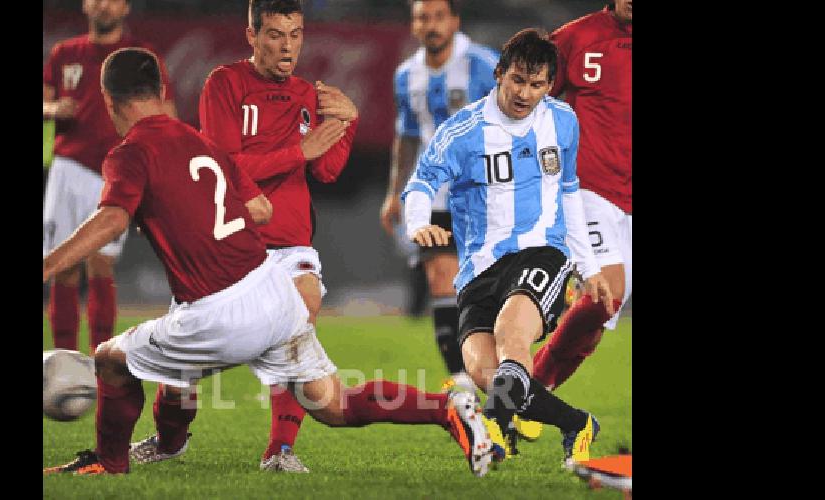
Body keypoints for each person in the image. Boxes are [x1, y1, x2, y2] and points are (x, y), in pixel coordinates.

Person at [42, 47, 498, 477]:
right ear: (163, 91)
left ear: (107, 99)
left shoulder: (129, 153)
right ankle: (447, 410)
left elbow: (112, 218)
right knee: (335, 405)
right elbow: (260, 209)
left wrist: (48, 265)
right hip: (273, 292)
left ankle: (110, 460)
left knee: (111, 359)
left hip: (218, 312)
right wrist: (186, 211)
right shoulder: (201, 144)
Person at [129, 0, 359, 473]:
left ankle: (280, 450)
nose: (288, 46)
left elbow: (328, 171)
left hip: (291, 245)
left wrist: (346, 124)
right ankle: (170, 440)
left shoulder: (305, 94)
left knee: (303, 305)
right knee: (178, 373)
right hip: (230, 245)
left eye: (295, 34)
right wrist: (298, 149)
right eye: (275, 34)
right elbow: (225, 167)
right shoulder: (224, 83)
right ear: (251, 35)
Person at [402, 28, 612, 467]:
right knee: (483, 370)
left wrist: (588, 267)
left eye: (537, 84)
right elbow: (422, 182)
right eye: (518, 80)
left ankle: (493, 428)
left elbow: (569, 192)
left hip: (542, 251)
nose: (525, 93)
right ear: (499, 74)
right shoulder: (463, 130)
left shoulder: (562, 121)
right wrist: (419, 221)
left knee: (511, 336)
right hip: (478, 268)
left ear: (550, 85)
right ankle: (575, 422)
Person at [379, 0, 500, 399]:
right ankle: (462, 382)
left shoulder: (484, 65)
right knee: (440, 278)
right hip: (435, 194)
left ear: (454, 21)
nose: (430, 25)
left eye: (437, 17)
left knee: (489, 287)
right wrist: (394, 192)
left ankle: (502, 373)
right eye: (421, 18)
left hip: (487, 195)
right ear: (413, 25)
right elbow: (407, 136)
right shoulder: (405, 75)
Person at [42, 0, 177, 353]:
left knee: (101, 265)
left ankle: (100, 358)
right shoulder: (64, 53)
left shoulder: (140, 56)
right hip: (68, 169)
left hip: (117, 171)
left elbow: (167, 113)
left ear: (126, 7)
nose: (104, 5)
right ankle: (63, 361)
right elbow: (44, 101)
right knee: (63, 266)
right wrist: (55, 109)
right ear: (85, 6)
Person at [531, 0, 631, 392]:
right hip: (589, 188)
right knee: (606, 294)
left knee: (595, 323)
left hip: (628, 202)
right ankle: (529, 388)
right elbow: (528, 104)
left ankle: (530, 393)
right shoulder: (576, 38)